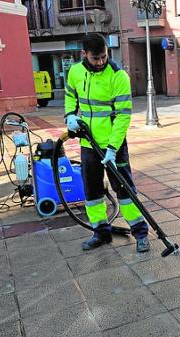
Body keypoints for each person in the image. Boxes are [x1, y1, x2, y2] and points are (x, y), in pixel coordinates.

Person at [65, 33, 150, 252]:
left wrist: (112, 148)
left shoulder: (118, 76)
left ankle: (140, 233)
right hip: (88, 145)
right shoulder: (75, 72)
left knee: (125, 191)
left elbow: (123, 116)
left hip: (114, 146)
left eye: (104, 56)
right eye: (96, 58)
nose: (101, 62)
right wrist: (70, 116)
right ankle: (101, 232)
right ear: (84, 54)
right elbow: (70, 97)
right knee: (92, 192)